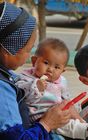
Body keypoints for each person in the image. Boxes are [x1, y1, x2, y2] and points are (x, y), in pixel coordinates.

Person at [0, 2, 72, 140]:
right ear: (9, 51)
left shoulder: (9, 77)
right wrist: (46, 123)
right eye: (28, 49)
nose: (30, 56)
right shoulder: (2, 89)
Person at [16, 38, 88, 140]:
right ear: (34, 61)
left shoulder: (61, 81)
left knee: (73, 123)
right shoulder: (26, 77)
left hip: (59, 114)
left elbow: (67, 100)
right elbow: (20, 91)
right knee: (67, 127)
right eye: (46, 63)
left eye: (57, 67)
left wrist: (78, 117)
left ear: (62, 71)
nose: (50, 69)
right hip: (39, 118)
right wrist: (35, 86)